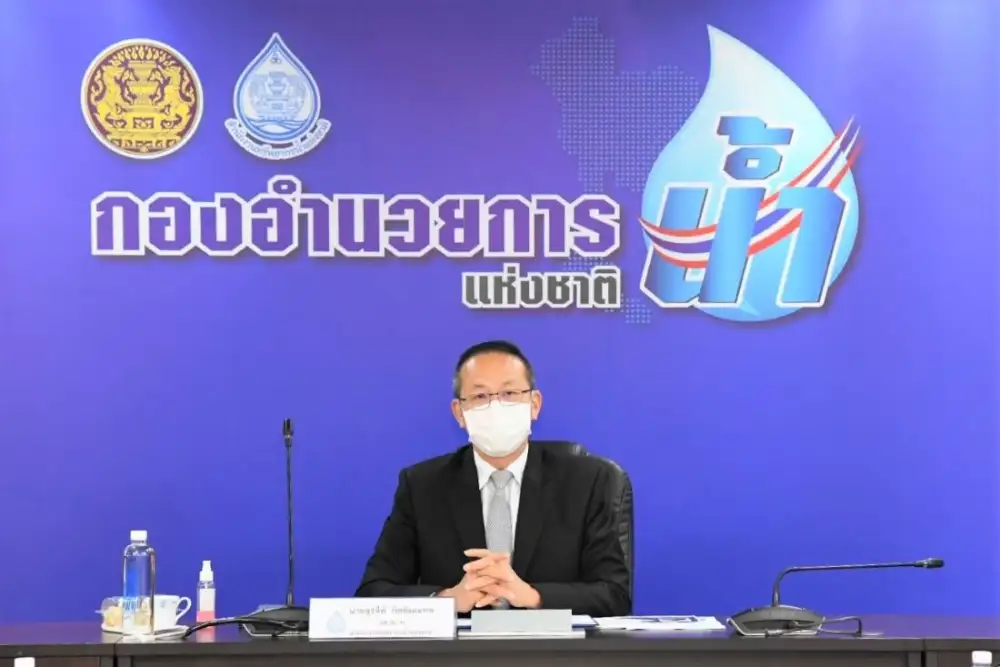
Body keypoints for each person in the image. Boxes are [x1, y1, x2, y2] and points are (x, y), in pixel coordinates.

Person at [355, 340, 631, 617]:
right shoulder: (422, 487)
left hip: (550, 645)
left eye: (509, 393)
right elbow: (372, 594)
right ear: (459, 413)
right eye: (480, 396)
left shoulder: (586, 481)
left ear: (534, 404)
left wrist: (532, 595)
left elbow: (614, 594)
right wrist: (447, 600)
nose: (495, 407)